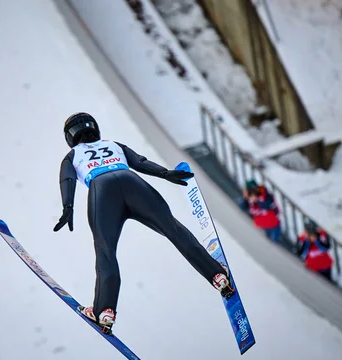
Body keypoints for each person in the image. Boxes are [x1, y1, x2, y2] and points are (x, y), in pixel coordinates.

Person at [53, 112, 233, 334]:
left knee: (105, 251)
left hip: (101, 191)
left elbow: (67, 179)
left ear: (70, 137)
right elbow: (140, 162)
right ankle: (217, 275)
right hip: (133, 183)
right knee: (172, 228)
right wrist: (165, 173)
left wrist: (68, 207)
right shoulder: (113, 144)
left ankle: (104, 311)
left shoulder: (71, 156)